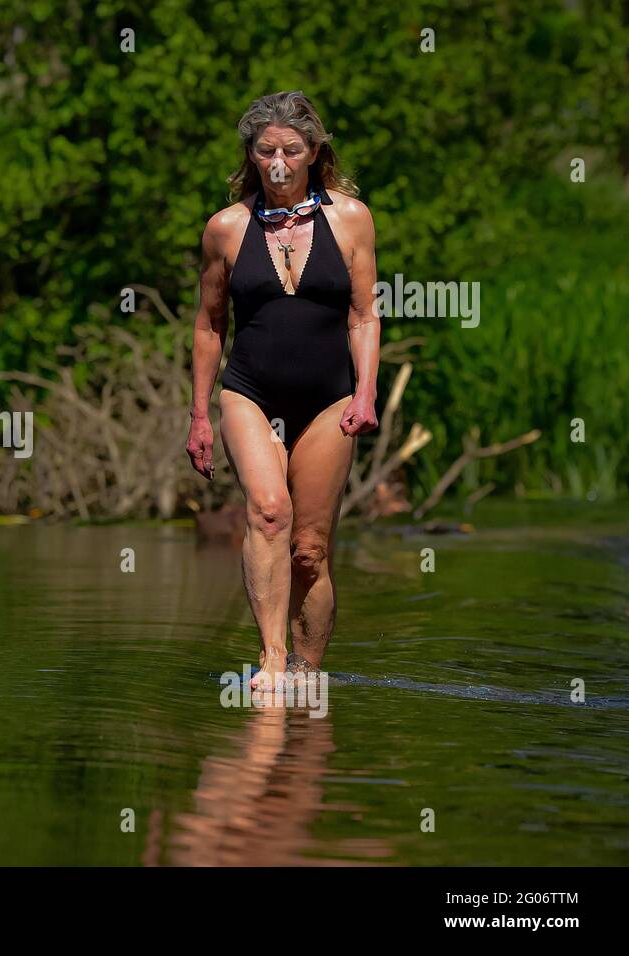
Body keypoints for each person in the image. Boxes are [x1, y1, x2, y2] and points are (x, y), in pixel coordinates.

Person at [186, 91, 381, 691]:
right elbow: (209, 324)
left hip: (329, 399)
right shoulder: (226, 229)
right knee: (269, 513)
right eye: (266, 149)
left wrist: (367, 392)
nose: (278, 161)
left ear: (313, 152)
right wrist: (198, 415)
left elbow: (364, 316)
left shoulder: (351, 218)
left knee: (309, 551)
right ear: (250, 155)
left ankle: (306, 672)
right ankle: (271, 661)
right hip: (250, 392)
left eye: (291, 150)